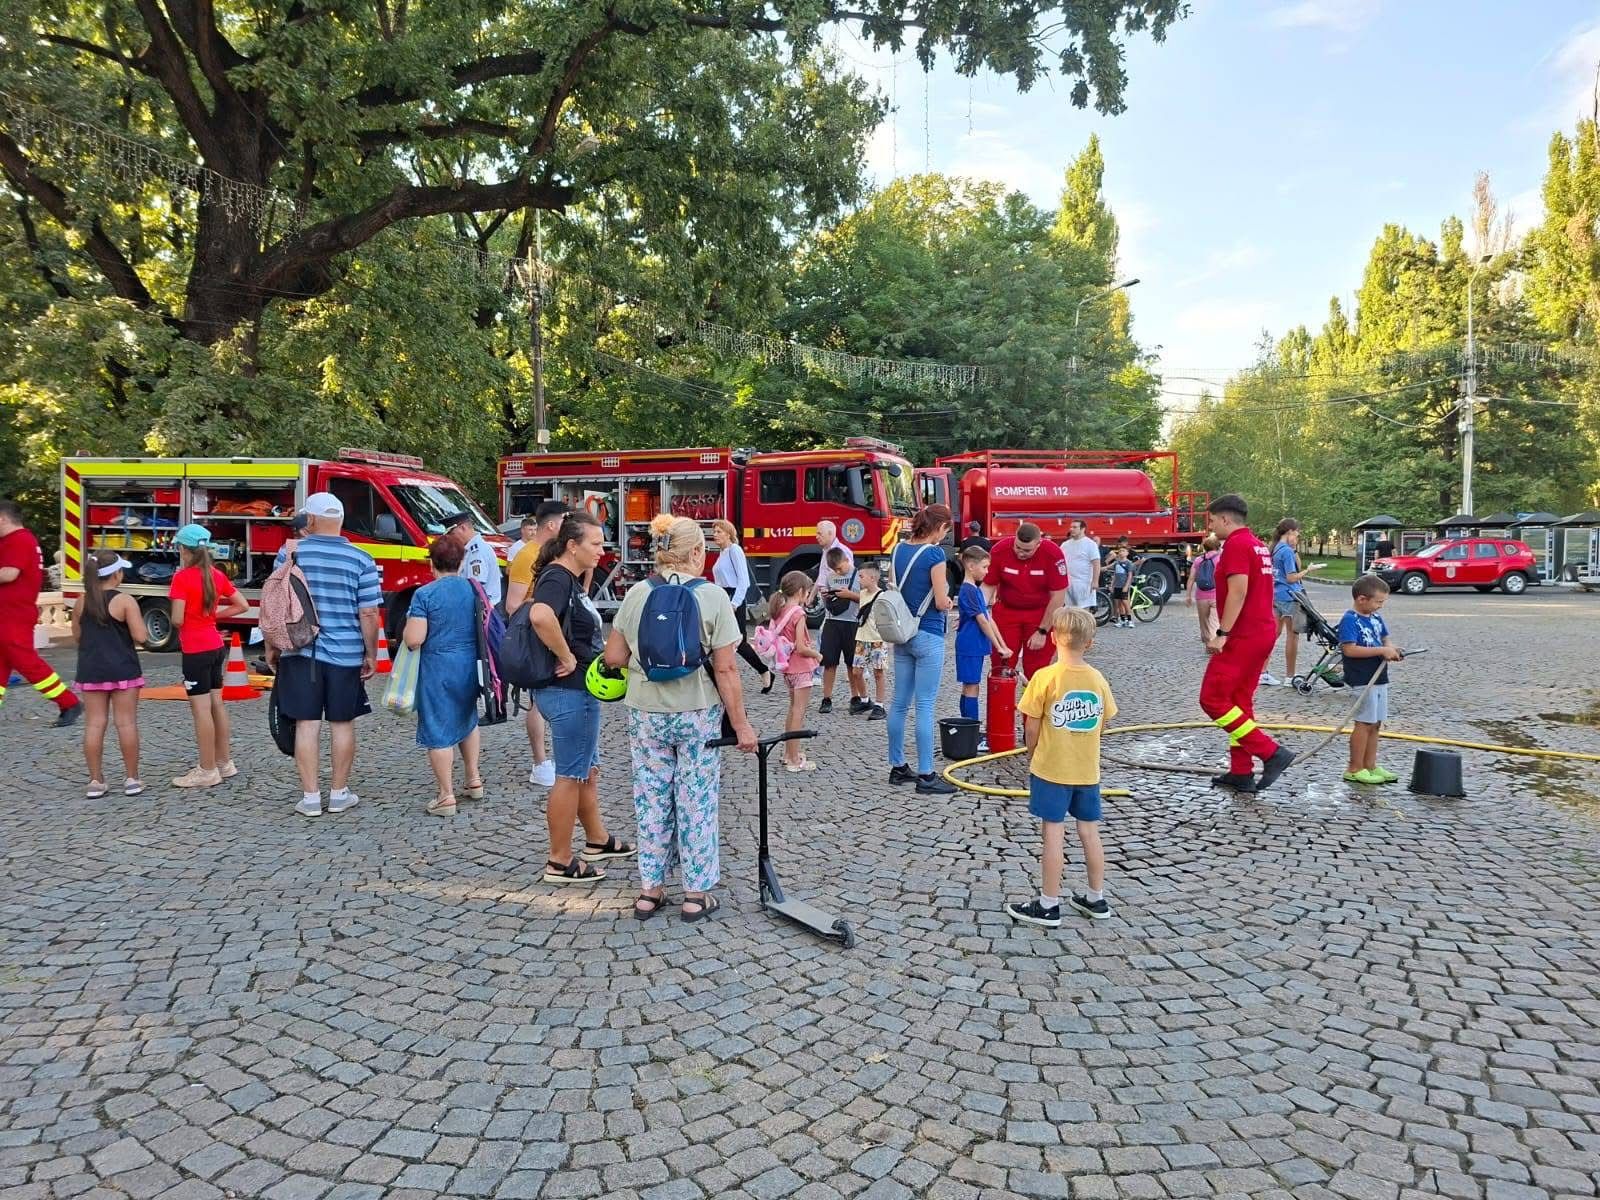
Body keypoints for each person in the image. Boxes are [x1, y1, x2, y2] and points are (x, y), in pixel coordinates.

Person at [605, 514, 758, 922]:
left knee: (651, 798)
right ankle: (694, 894)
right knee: (696, 800)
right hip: (697, 713)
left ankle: (650, 891)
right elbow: (726, 668)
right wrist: (741, 724)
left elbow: (614, 656)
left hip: (646, 713)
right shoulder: (713, 597)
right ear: (696, 552)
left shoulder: (637, 593)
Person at [528, 511, 634, 883]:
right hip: (569, 691)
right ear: (572, 546)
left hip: (573, 691)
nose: (602, 551)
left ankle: (597, 839)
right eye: (596, 543)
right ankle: (559, 861)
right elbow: (540, 616)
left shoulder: (566, 577)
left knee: (587, 769)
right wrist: (567, 656)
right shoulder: (558, 577)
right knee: (570, 775)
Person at [270, 492, 383, 818]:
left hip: (299, 651)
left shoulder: (289, 553)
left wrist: (272, 647)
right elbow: (369, 613)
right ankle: (338, 794)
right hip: (345, 654)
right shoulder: (361, 559)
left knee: (306, 723)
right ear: (341, 520)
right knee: (342, 722)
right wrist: (371, 654)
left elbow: (276, 606)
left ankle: (309, 798)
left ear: (311, 520)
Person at [1006, 607, 1117, 927]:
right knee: (1089, 832)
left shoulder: (1045, 678)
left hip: (1052, 768)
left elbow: (1031, 726)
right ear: (1090, 643)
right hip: (1087, 771)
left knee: (1053, 833)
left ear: (1053, 638)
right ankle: (1096, 898)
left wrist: (1032, 754)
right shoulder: (1097, 679)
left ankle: (1048, 904)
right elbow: (1104, 723)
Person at [1201, 494, 1294, 794]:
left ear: (1225, 519)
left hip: (1243, 635)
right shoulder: (1256, 544)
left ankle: (1271, 753)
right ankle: (1241, 772)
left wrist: (1222, 633)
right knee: (1239, 702)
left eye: (1212, 521)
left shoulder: (1237, 545)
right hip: (1260, 632)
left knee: (1212, 699)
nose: (1211, 527)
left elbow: (1238, 591)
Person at [404, 537, 484, 817]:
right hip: (470, 665)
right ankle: (473, 778)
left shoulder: (425, 594)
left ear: (431, 563)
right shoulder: (473, 589)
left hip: (438, 667)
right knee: (468, 718)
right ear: (461, 563)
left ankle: (446, 795)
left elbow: (414, 639)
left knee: (438, 728)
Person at [169, 524, 248, 788]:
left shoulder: (181, 578)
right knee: (217, 705)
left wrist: (189, 617)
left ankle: (207, 769)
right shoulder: (217, 574)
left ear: (184, 549)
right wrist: (215, 616)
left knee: (201, 710)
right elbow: (242, 605)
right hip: (215, 645)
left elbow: (177, 619)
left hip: (195, 648)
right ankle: (224, 762)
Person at [887, 503, 956, 794]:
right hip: (927, 632)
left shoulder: (898, 549)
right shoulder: (934, 554)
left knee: (899, 703)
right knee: (925, 705)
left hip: (902, 633)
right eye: (945, 531)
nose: (944, 536)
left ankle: (898, 766)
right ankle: (927, 774)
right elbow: (940, 601)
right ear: (939, 527)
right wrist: (949, 601)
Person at [72, 549, 148, 798]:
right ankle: (132, 778)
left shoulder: (82, 602)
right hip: (123, 668)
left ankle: (95, 780)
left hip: (91, 669)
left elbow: (78, 637)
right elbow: (140, 636)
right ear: (116, 574)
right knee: (126, 723)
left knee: (94, 724)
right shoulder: (124, 601)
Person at [0, 499, 81, 726]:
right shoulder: (18, 540)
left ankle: (68, 702)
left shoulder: (18, 540)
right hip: (11, 612)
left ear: (2, 519)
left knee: (26, 662)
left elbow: (9, 574)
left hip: (13, 614)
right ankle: (68, 702)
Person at [506, 500, 568, 788]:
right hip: (534, 636)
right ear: (552, 525)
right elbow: (512, 605)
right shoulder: (526, 556)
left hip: (553, 633)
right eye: (565, 521)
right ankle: (540, 762)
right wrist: (543, 605)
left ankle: (554, 758)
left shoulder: (555, 553)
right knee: (536, 700)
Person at [1339, 576, 1403, 786]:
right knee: (1364, 723)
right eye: (1378, 602)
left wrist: (1391, 649)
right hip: (1362, 677)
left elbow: (1385, 638)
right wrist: (1381, 651)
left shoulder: (1376, 617)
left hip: (1379, 676)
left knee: (1375, 723)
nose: (1380, 606)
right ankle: (1354, 768)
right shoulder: (1350, 620)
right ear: (1362, 599)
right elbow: (1349, 649)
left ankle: (1370, 765)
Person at [982, 522, 1068, 680]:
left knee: (1038, 669)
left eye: (1027, 550)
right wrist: (976, 610)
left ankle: (1032, 695)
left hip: (1041, 614)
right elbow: (987, 586)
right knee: (1001, 664)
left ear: (1038, 544)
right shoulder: (1000, 550)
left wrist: (1042, 631)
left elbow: (1058, 596)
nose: (1020, 553)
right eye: (1017, 547)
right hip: (1007, 612)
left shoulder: (1053, 554)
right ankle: (1003, 695)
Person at [762, 571, 821, 770]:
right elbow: (802, 647)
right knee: (799, 712)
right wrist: (817, 654)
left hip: (788, 668)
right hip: (801, 667)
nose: (808, 596)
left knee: (792, 710)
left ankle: (788, 753)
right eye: (808, 592)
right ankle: (794, 759)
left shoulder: (780, 610)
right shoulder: (798, 614)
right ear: (801, 591)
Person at [709, 520, 773, 691]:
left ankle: (763, 670)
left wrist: (735, 603)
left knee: (737, 641)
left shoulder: (735, 550)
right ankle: (722, 677)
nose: (715, 535)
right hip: (723, 598)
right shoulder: (722, 553)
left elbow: (743, 581)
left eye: (718, 531)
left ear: (728, 533)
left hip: (733, 599)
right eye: (714, 532)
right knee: (727, 640)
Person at [955, 546, 1010, 729]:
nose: (987, 571)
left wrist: (1002, 644)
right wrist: (998, 646)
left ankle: (968, 728)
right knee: (971, 687)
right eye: (984, 567)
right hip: (970, 645)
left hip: (974, 645)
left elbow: (988, 618)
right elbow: (983, 621)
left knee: (971, 685)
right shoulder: (969, 590)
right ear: (971, 566)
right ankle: (972, 730)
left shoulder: (975, 589)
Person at [1270, 518, 1322, 686]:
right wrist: (1308, 570)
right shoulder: (1286, 551)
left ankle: (1262, 671)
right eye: (1297, 535)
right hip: (1290, 596)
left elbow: (1293, 566)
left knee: (1273, 634)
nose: (1297, 538)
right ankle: (1290, 676)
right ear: (1290, 532)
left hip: (1276, 594)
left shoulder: (1276, 548)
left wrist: (1294, 549)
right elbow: (1292, 577)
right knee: (1292, 636)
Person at [816, 546, 862, 714]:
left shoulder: (859, 576)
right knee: (829, 663)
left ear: (847, 560)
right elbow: (826, 601)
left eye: (840, 568)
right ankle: (826, 698)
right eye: (834, 569)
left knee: (852, 663)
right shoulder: (830, 577)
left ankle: (855, 697)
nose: (838, 572)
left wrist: (850, 595)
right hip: (832, 622)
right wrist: (826, 596)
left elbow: (868, 598)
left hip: (852, 623)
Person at [849, 564, 888, 720]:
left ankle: (880, 705)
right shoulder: (862, 594)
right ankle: (865, 700)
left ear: (872, 578)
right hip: (862, 638)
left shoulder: (882, 596)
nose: (859, 579)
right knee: (856, 672)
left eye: (861, 576)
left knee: (878, 672)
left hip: (877, 639)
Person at [442, 509, 502, 608]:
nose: (451, 538)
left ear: (463, 528)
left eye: (452, 534)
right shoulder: (471, 549)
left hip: (482, 610)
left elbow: (475, 587)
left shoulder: (477, 552)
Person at [1185, 534, 1222, 646]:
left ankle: (1208, 644)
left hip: (1201, 596)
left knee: (1204, 623)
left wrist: (1188, 596)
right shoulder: (1220, 559)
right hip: (1216, 595)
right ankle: (1214, 644)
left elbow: (1191, 578)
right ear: (1217, 546)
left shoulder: (1198, 560)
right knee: (1215, 622)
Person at [1061, 520, 1102, 610]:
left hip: (1084, 583)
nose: (1071, 529)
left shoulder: (1090, 544)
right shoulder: (1065, 545)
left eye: (1075, 527)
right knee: (1070, 611)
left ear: (1083, 529)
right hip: (1068, 583)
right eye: (1071, 527)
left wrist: (1095, 581)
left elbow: (1096, 563)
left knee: (1083, 612)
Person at [1108, 546, 1134, 629]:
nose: (1121, 552)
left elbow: (1130, 576)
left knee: (1125, 603)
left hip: (1123, 586)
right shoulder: (1116, 563)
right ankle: (1122, 620)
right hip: (1117, 586)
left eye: (1123, 551)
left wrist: (1126, 586)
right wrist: (1112, 585)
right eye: (1120, 551)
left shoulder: (1129, 563)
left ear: (1127, 553)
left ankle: (1129, 620)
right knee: (1119, 604)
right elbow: (1115, 575)